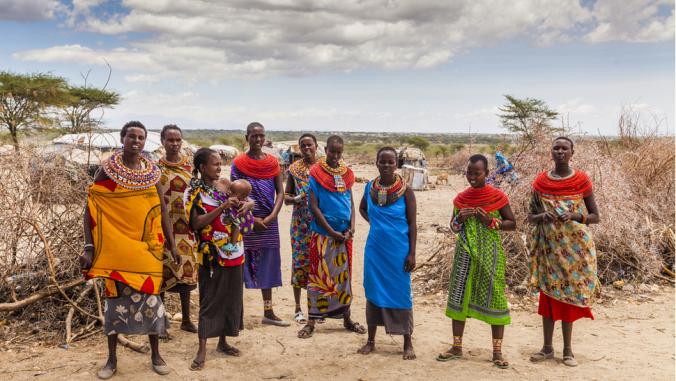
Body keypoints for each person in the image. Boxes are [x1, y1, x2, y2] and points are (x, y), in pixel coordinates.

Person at [80, 121, 179, 379]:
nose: (136, 141)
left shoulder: (152, 172)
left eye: (141, 137)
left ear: (145, 142)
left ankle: (156, 355)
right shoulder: (107, 171)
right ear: (122, 138)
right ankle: (111, 360)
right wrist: (89, 247)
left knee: (152, 300)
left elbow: (162, 211)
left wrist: (172, 244)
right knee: (114, 304)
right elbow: (91, 206)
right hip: (115, 249)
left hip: (148, 250)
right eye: (131, 136)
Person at [436, 154, 516, 369]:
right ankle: (456, 347)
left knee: (496, 298)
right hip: (464, 254)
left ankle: (497, 352)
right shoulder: (461, 199)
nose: (472, 177)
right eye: (469, 173)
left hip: (491, 255)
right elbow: (453, 228)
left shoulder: (497, 197)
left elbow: (512, 224)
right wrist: (459, 218)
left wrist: (490, 220)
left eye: (477, 173)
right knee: (459, 296)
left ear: (487, 174)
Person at [527, 137, 600, 367]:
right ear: (551, 152)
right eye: (556, 148)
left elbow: (595, 216)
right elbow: (530, 217)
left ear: (572, 152)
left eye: (564, 148)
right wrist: (542, 216)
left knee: (568, 298)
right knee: (548, 298)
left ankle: (568, 351)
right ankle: (547, 348)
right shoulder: (540, 182)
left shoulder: (581, 180)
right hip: (548, 249)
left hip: (574, 251)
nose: (560, 152)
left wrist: (577, 216)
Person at [185, 148, 254, 370]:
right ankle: (202, 348)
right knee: (209, 299)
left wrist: (249, 205)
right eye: (214, 164)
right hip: (211, 254)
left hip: (234, 251)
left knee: (230, 297)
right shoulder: (194, 192)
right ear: (202, 167)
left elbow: (245, 197)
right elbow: (196, 223)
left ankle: (223, 342)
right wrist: (223, 207)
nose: (219, 167)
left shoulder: (225, 184)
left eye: (220, 163)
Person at [297, 135, 366, 338]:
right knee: (318, 277)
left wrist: (351, 228)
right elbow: (314, 206)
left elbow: (351, 204)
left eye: (339, 152)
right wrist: (330, 231)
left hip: (344, 236)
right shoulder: (316, 174)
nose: (335, 156)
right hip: (323, 235)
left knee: (343, 278)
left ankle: (346, 318)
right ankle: (311, 321)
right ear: (325, 149)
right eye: (332, 151)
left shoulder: (347, 174)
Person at [357, 147, 417, 360]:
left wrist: (412, 253)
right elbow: (362, 209)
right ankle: (371, 341)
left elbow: (412, 223)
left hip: (398, 251)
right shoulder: (369, 188)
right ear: (376, 162)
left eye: (390, 162)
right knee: (373, 291)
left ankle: (407, 342)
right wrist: (376, 223)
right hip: (375, 250)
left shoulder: (406, 191)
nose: (386, 165)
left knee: (401, 292)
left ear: (396, 164)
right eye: (382, 161)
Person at [231, 122, 289, 326]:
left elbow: (280, 192)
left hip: (269, 220)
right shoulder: (238, 163)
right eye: (254, 136)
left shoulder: (273, 162)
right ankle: (237, 314)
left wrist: (272, 216)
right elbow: (234, 194)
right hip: (246, 221)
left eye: (261, 136)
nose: (258, 140)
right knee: (240, 262)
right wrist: (251, 219)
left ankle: (268, 311)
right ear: (246, 138)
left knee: (269, 263)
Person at [156, 124, 198, 335]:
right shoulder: (154, 169)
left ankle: (187, 320)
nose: (174, 144)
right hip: (162, 229)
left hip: (186, 229)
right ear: (162, 141)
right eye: (170, 140)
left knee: (187, 275)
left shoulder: (190, 169)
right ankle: (161, 321)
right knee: (162, 275)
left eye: (178, 140)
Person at [284, 133, 319, 324]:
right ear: (299, 148)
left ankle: (316, 308)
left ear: (316, 146)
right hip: (300, 225)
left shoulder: (323, 168)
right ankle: (298, 308)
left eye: (310, 145)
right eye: (303, 146)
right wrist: (298, 198)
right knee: (299, 263)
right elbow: (286, 198)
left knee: (318, 264)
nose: (307, 149)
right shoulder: (294, 169)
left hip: (320, 224)